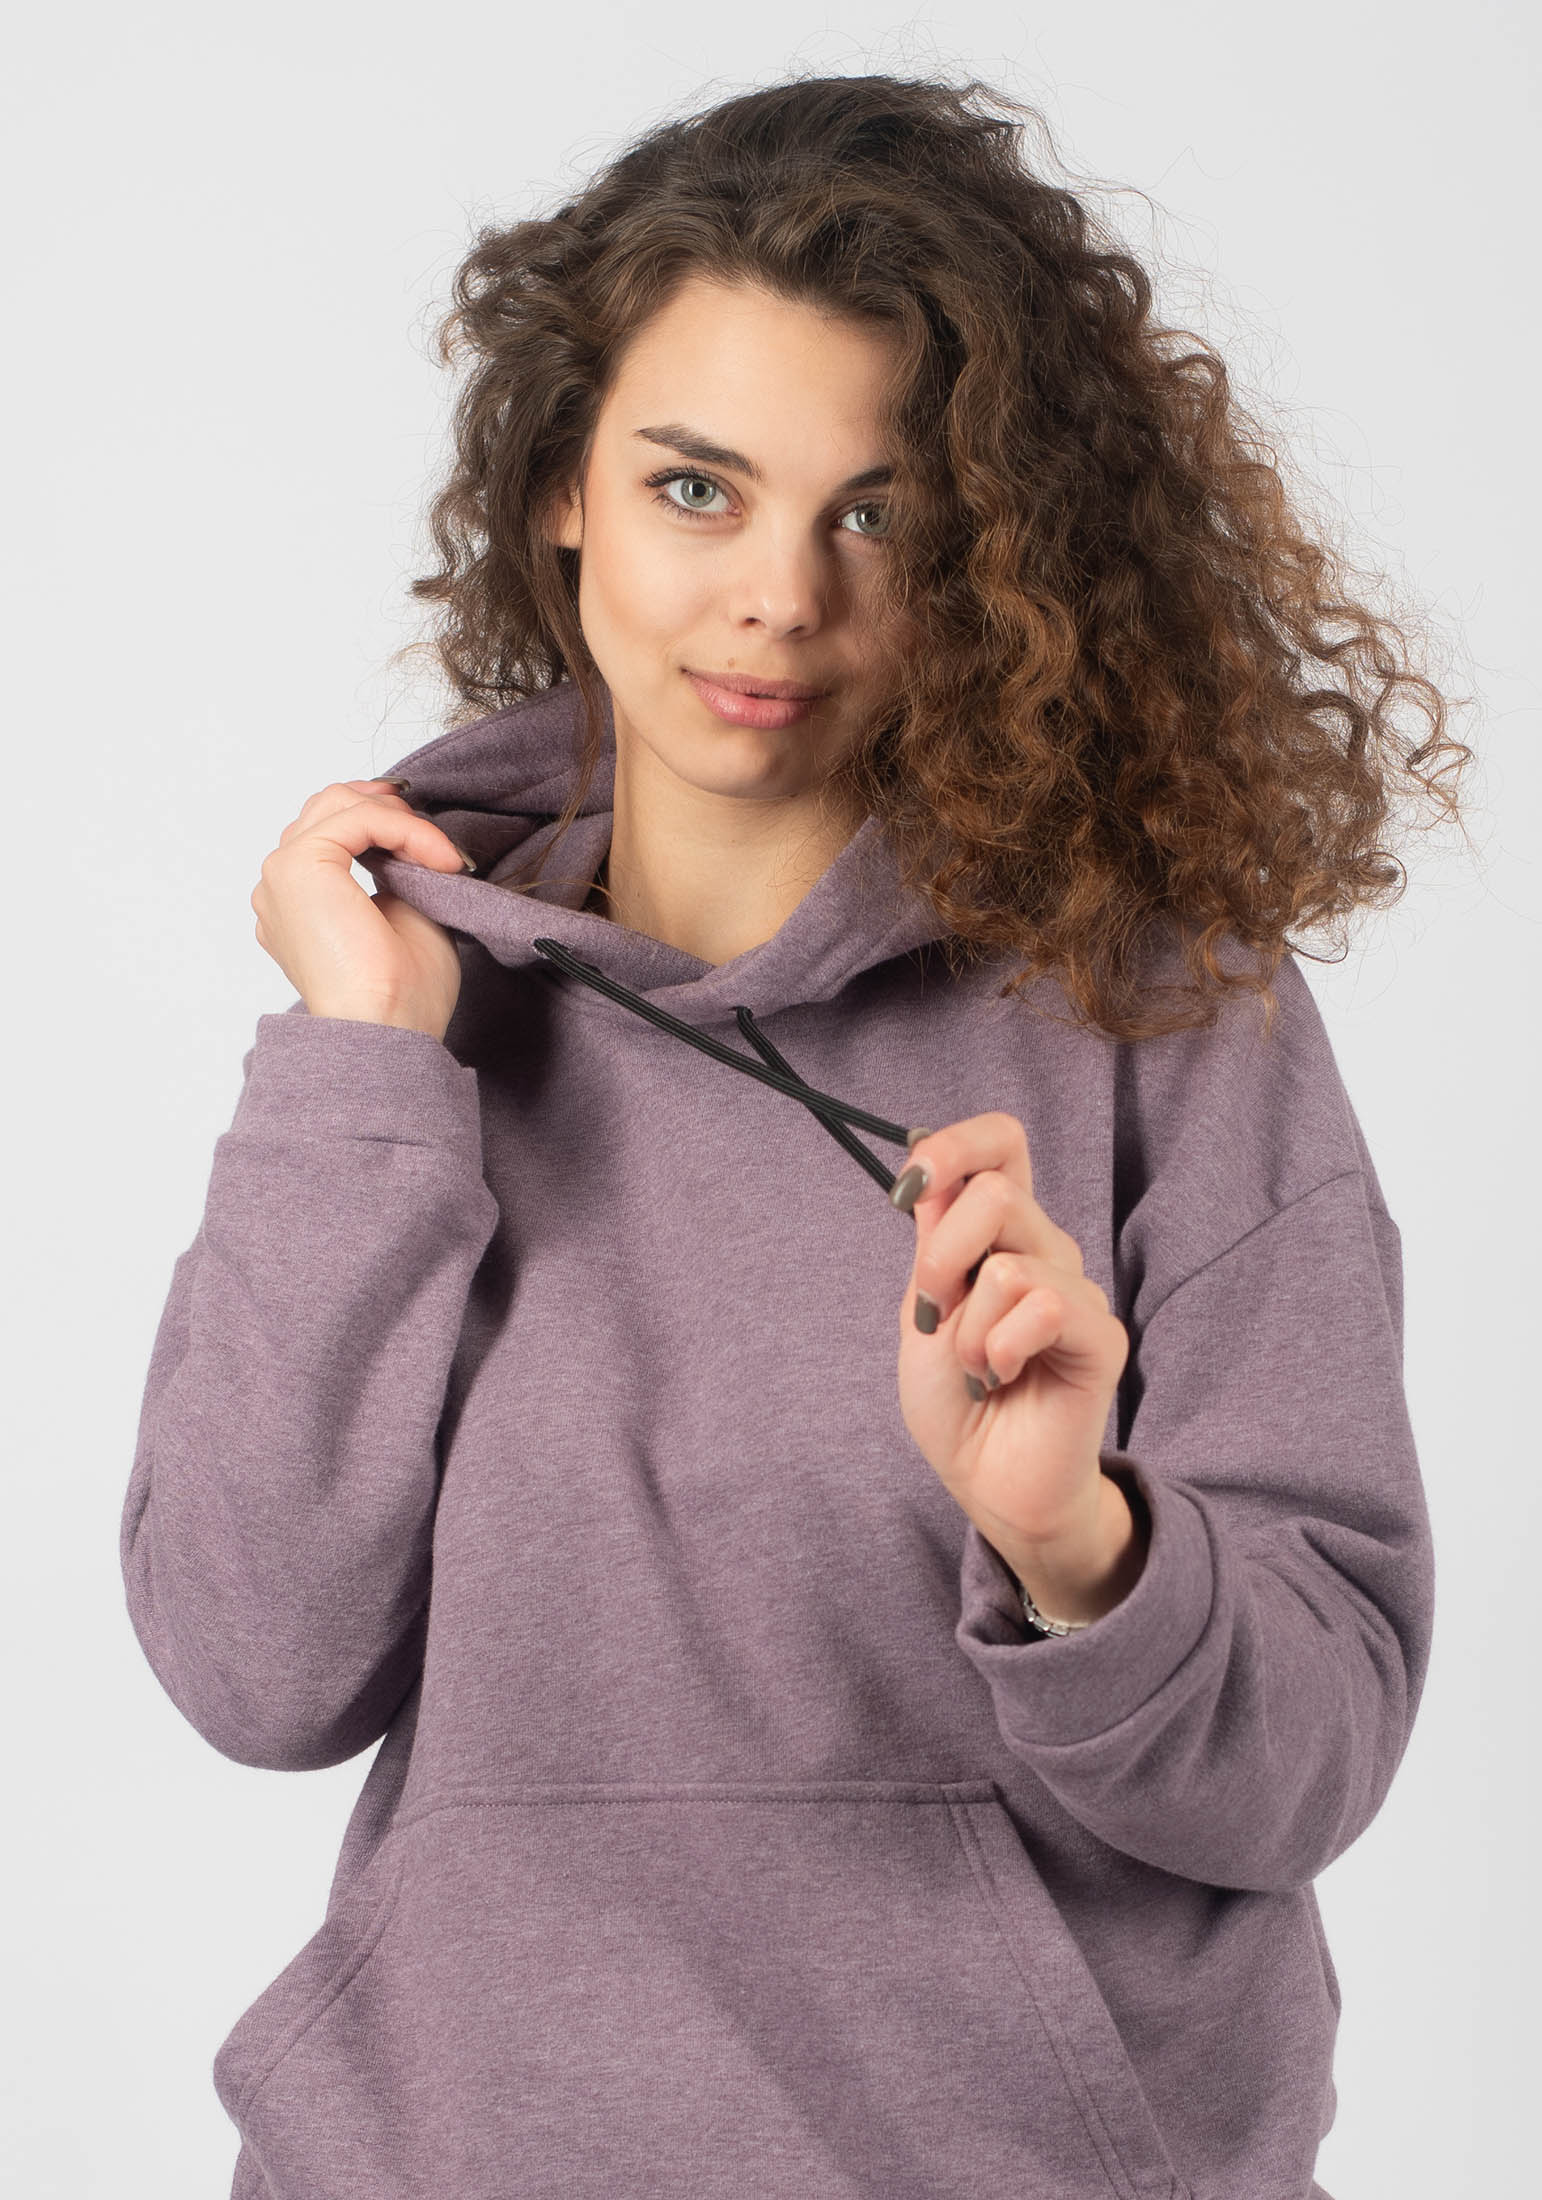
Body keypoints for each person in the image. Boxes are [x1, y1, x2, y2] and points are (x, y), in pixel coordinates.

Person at [118, 71, 1472, 2200]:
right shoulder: (408, 1014)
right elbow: (252, 1667)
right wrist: (362, 1074)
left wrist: (1076, 1543)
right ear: (561, 489)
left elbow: (1307, 1762)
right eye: (697, 488)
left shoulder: (1163, 1005)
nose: (776, 599)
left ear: (993, 554)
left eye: (877, 516)